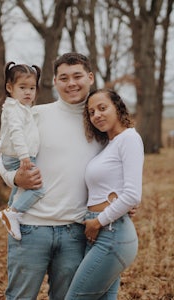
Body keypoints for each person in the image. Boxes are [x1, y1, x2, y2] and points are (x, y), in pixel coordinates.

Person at [0, 53, 137, 300]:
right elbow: (4, 157)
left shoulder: (100, 124)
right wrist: (15, 179)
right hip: (30, 228)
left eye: (77, 76)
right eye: (64, 78)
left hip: (76, 231)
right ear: (55, 81)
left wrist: (119, 203)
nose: (71, 83)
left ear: (90, 77)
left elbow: (113, 172)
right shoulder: (36, 114)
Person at [65, 88, 144, 300]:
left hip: (112, 234)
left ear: (117, 108)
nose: (96, 115)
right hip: (100, 231)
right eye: (91, 112)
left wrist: (98, 221)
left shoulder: (129, 139)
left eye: (102, 108)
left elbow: (133, 195)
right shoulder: (109, 144)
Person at [0, 62, 45, 240]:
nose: (28, 92)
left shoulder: (23, 109)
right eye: (22, 87)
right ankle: (13, 212)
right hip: (18, 158)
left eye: (32, 88)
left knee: (17, 192)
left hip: (19, 156)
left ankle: (11, 212)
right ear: (10, 88)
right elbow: (16, 132)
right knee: (38, 189)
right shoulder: (13, 109)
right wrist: (24, 156)